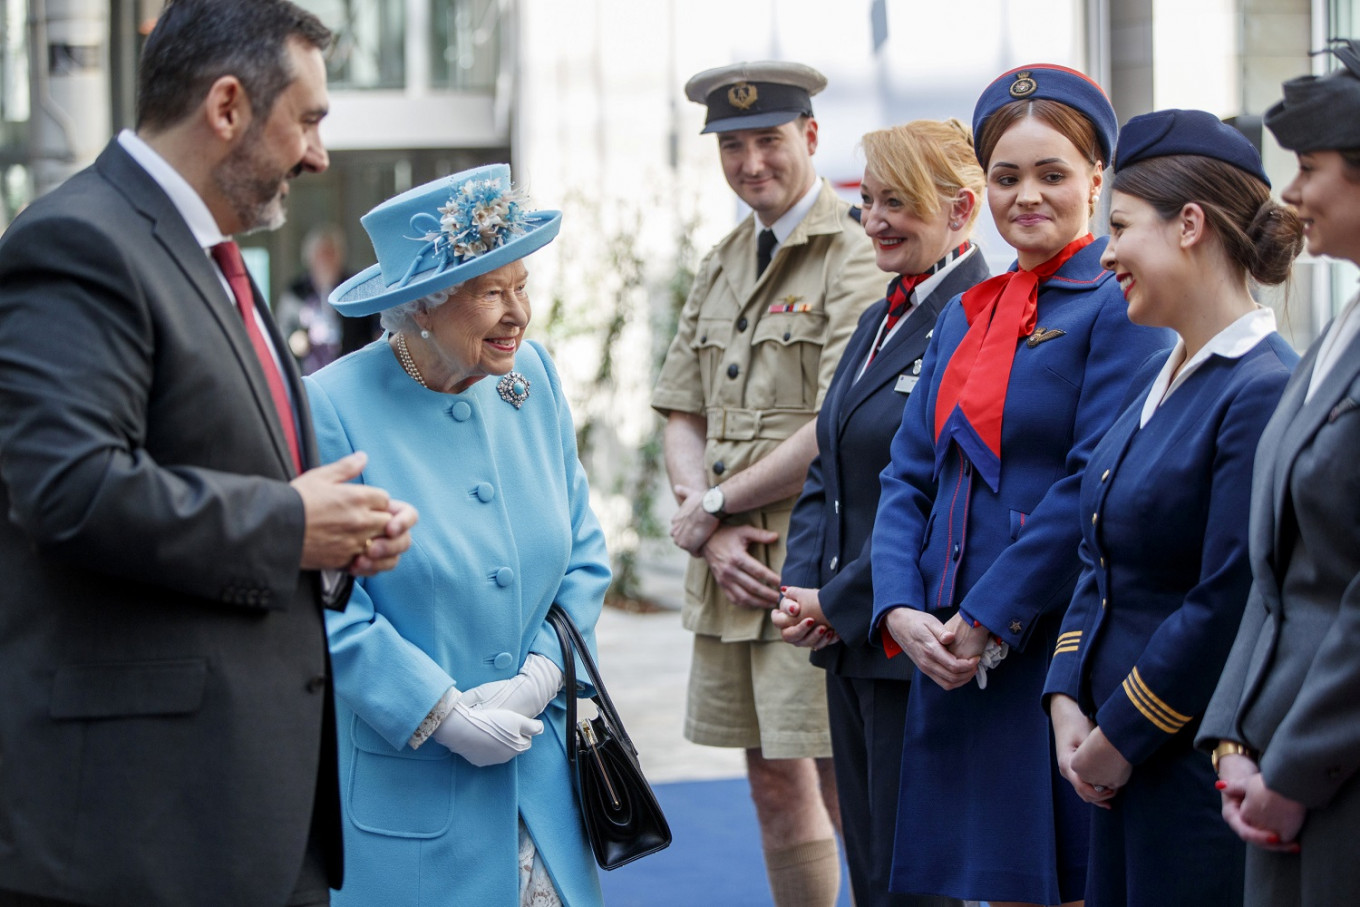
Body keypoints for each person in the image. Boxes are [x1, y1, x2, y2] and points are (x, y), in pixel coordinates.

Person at [0, 2, 419, 905]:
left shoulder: (214, 260)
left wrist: (337, 541)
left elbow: (236, 485)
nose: (318, 156)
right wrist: (291, 525)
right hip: (138, 833)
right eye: (308, 119)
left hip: (246, 822)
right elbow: (69, 489)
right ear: (227, 105)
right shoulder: (78, 241)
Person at [869, 65, 1174, 907]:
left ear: (1096, 181)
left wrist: (987, 616)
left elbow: (1093, 481)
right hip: (948, 641)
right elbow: (909, 471)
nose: (1026, 196)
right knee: (993, 884)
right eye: (1006, 177)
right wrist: (899, 604)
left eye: (1052, 175)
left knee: (1069, 882)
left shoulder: (1119, 303)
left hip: (1047, 637)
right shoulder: (967, 310)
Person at [305, 163, 610, 907]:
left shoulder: (529, 376)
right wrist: (436, 711)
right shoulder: (331, 405)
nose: (519, 315)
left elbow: (584, 552)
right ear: (422, 307)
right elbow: (326, 602)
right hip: (409, 790)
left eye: (521, 284)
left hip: (542, 784)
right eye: (490, 293)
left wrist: (543, 675)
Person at [1043, 109, 1302, 907]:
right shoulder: (1167, 376)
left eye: (1120, 225)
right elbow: (1100, 555)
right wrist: (1064, 695)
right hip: (1117, 759)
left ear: (1189, 224)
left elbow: (1226, 596)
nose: (1107, 250)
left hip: (1188, 762)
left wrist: (1121, 731)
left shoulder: (1258, 387)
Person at [652, 60, 887, 906]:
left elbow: (833, 421)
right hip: (733, 565)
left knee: (840, 782)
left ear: (812, 138)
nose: (751, 162)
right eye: (734, 145)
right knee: (769, 781)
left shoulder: (855, 251)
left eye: (770, 141)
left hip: (811, 566)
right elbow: (680, 408)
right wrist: (705, 525)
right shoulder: (721, 261)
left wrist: (717, 504)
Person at [773, 118, 990, 907]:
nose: (875, 221)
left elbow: (941, 499)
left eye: (898, 203)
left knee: (916, 881)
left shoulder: (980, 316)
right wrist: (802, 589)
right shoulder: (879, 318)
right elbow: (829, 463)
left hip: (913, 638)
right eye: (869, 201)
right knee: (873, 870)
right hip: (852, 638)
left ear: (961, 210)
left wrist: (839, 600)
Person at [1198, 38, 1360, 906]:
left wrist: (1293, 770)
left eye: (1311, 166)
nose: (1290, 192)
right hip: (1276, 765)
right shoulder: (1339, 332)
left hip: (1333, 773)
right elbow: (1277, 574)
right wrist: (1233, 738)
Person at [276, 224, 352, 373]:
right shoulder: (295, 291)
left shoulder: (352, 288)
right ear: (310, 257)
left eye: (330, 253)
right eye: (320, 254)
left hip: (348, 366)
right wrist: (295, 340)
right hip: (309, 369)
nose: (325, 260)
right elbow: (284, 329)